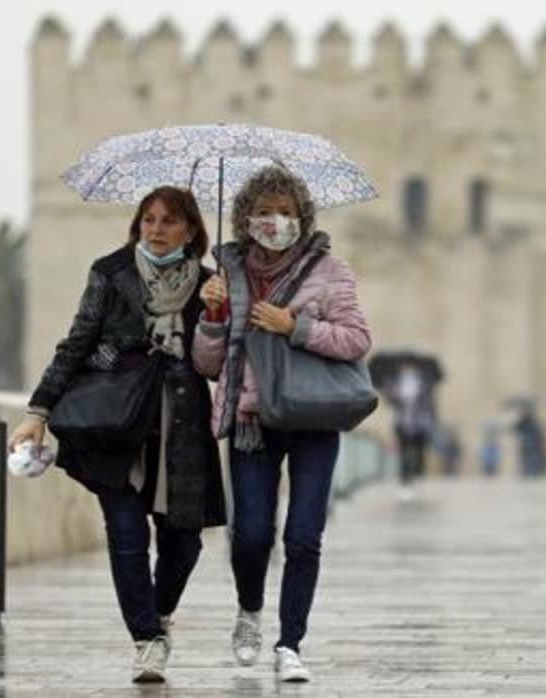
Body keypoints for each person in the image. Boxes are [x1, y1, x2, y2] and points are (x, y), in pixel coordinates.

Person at [9, 186, 225, 684]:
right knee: (126, 536)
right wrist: (37, 411)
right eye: (148, 219)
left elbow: (215, 367)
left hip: (181, 426)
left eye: (168, 221)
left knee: (184, 542)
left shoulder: (211, 285)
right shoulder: (111, 273)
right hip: (116, 424)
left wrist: (216, 314)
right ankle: (147, 640)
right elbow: (77, 342)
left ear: (190, 229)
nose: (155, 229)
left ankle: (160, 611)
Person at [192, 165, 371, 683]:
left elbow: (357, 340)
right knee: (250, 534)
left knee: (304, 536)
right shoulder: (226, 277)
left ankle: (290, 642)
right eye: (266, 212)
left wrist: (295, 326)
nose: (276, 222)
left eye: (287, 213)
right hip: (251, 419)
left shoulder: (330, 271)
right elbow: (207, 366)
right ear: (247, 218)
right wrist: (212, 317)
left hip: (313, 415)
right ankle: (249, 610)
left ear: (303, 219)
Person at [385, 362, 437, 497]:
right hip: (402, 423)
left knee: (418, 451)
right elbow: (390, 402)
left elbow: (429, 405)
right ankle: (405, 481)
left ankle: (417, 476)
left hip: (419, 424)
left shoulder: (423, 383)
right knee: (404, 452)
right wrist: (394, 394)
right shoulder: (395, 383)